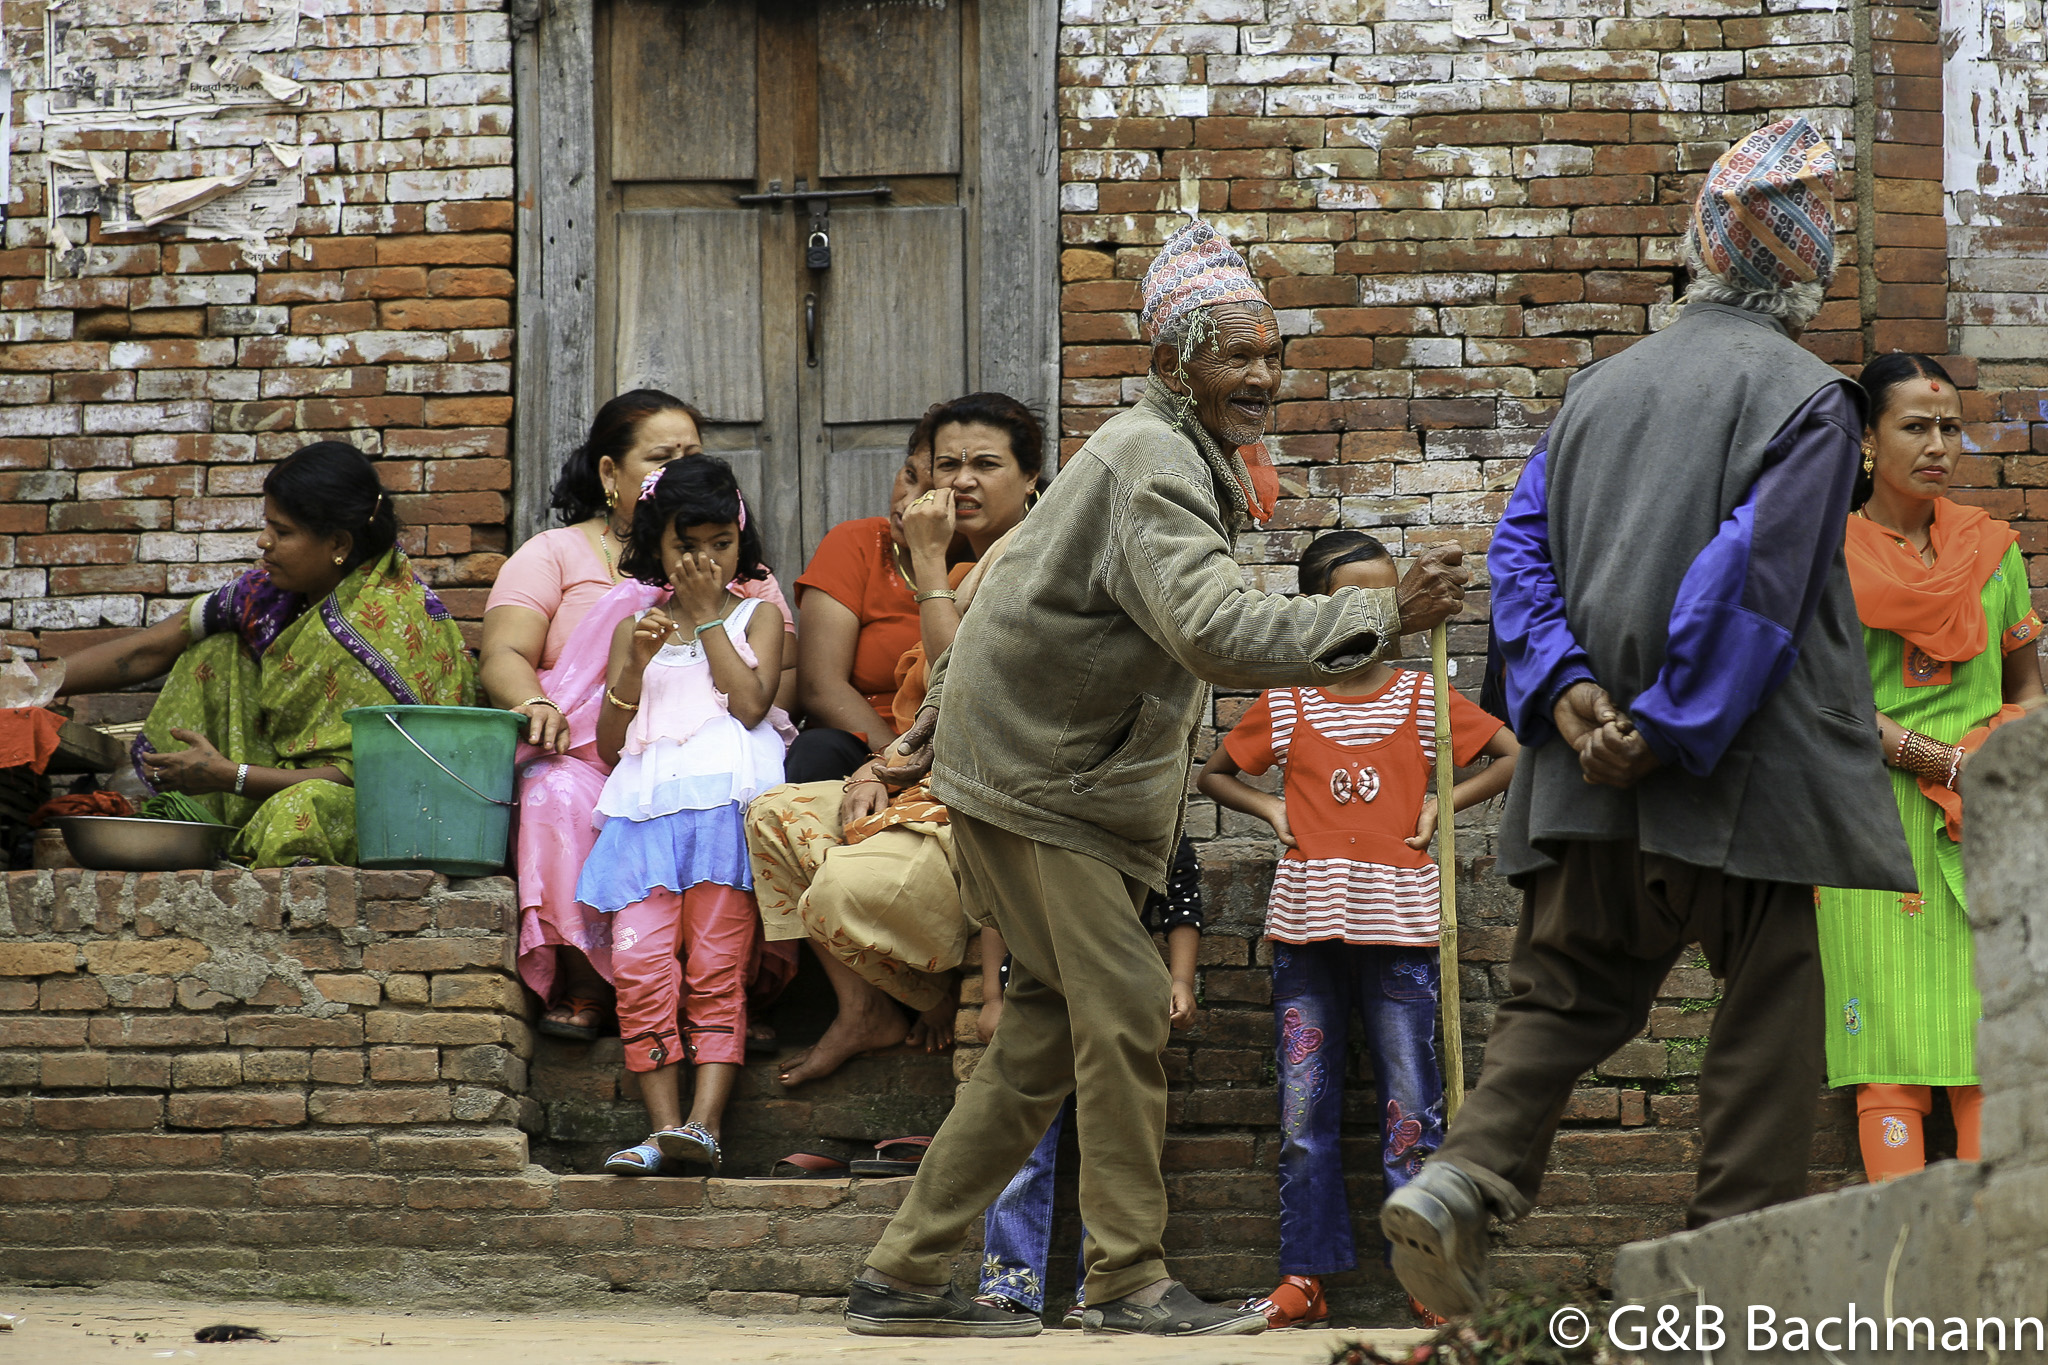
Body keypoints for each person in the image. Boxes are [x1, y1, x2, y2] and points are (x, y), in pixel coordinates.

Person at [842, 217, 1468, 1340]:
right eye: (1237, 355)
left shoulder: (1169, 453)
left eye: (1270, 353)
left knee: (1038, 1036)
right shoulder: (1154, 462)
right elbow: (1212, 630)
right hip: (1044, 780)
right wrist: (1378, 614)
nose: (1263, 376)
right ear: (1174, 363)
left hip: (1036, 768)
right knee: (1127, 1005)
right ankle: (1127, 1280)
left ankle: (900, 1273)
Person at [1384, 118, 1917, 1320]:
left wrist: (1571, 699)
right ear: (1804, 273)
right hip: (1737, 780)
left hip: (1578, 775)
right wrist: (1667, 724)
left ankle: (1462, 1176)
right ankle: (1726, 1272)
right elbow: (1752, 578)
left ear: (1698, 252)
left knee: (1562, 991)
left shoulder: (1594, 389)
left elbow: (1519, 554)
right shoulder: (1807, 400)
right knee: (1765, 1008)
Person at [1198, 531, 1520, 1330]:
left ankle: (1431, 1281)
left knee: (1412, 1116)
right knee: (1305, 1118)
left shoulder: (1424, 702)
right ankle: (1303, 1275)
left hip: (1403, 935)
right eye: (1353, 602)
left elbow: (1512, 752)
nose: (1378, 616)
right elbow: (1213, 773)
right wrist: (1271, 807)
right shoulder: (1288, 700)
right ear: (1315, 611)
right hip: (1305, 936)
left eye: (1388, 597)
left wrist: (1447, 801)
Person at [746, 393, 1045, 1087]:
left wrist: (930, 562)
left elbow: (959, 685)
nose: (961, 480)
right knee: (772, 818)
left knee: (838, 895)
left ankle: (931, 984)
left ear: (1031, 477)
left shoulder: (1033, 553)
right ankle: (884, 1006)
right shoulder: (961, 558)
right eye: (948, 464)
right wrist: (879, 768)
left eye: (985, 464)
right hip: (922, 771)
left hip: (990, 796)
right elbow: (913, 709)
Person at [481, 389, 796, 1038]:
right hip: (596, 757)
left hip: (706, 756)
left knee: (737, 800)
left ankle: (724, 997)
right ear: (608, 474)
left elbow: (777, 682)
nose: (678, 468)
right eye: (660, 458)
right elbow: (504, 653)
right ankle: (595, 987)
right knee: (553, 790)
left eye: (692, 456)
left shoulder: (748, 580)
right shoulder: (556, 554)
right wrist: (536, 702)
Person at [1818, 353, 2044, 1182]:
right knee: (1888, 1054)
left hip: (1983, 823)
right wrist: (1943, 760)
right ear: (1869, 441)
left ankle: (1988, 1269)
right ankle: (1904, 1283)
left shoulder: (1992, 553)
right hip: (1868, 825)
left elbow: (2027, 687)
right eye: (1915, 425)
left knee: (1983, 1046)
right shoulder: (1826, 557)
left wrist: (1994, 757)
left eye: (1949, 426)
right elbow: (1831, 704)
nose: (1939, 443)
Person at [55, 441, 474, 866]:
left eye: (283, 532)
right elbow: (151, 648)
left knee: (301, 809)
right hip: (272, 782)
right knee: (216, 653)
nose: (263, 542)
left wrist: (229, 776)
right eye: (267, 525)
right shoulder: (267, 595)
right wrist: (29, 686)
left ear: (338, 543)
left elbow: (368, 777)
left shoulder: (388, 623)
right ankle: (204, 833)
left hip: (393, 812)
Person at [583, 458, 786, 1176]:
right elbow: (610, 745)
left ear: (741, 539)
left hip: (721, 824)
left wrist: (705, 621)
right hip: (645, 826)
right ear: (653, 545)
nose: (706, 560)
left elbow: (753, 703)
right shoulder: (634, 628)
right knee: (639, 969)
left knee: (714, 969)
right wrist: (633, 668)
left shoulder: (756, 614)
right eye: (685, 545)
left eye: (722, 542)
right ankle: (661, 1127)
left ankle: (706, 1125)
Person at [973, 837, 1204, 1331]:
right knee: (1022, 1145)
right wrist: (993, 995)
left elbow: (1183, 907)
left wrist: (1181, 980)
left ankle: (1102, 1288)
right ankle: (1008, 1285)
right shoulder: (1037, 822)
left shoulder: (1159, 828)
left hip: (1116, 1000)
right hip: (1035, 1000)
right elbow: (997, 912)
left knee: (1113, 1144)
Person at [786, 410, 947, 782]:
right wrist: (896, 759)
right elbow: (820, 687)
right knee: (817, 749)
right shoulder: (858, 543)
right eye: (909, 476)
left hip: (955, 745)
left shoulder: (986, 559)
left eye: (931, 493)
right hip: (868, 741)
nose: (908, 503)